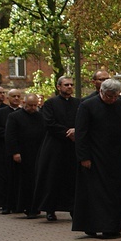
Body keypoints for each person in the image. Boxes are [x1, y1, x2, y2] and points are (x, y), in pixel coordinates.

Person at [72, 79, 121, 238]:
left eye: (115, 96)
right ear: (101, 92)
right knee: (96, 193)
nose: (112, 99)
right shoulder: (87, 106)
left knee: (117, 191)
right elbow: (81, 133)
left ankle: (112, 226)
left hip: (117, 155)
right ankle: (93, 225)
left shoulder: (120, 105)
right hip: (95, 156)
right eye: (109, 96)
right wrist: (84, 156)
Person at [34, 76, 80, 221]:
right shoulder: (50, 103)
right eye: (66, 85)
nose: (69, 87)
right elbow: (49, 123)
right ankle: (50, 208)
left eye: (71, 85)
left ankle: (73, 207)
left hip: (72, 147)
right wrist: (68, 133)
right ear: (58, 87)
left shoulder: (79, 103)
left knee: (72, 178)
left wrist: (76, 130)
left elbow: (82, 120)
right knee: (52, 177)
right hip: (55, 146)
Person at [5, 94, 46, 218]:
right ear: (24, 103)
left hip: (37, 153)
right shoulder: (14, 117)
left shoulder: (40, 117)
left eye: (35, 105)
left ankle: (36, 207)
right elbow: (10, 136)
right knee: (23, 182)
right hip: (22, 153)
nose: (33, 108)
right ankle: (24, 206)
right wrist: (15, 152)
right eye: (30, 105)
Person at [0, 89, 22, 214]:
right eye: (13, 96)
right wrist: (10, 135)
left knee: (19, 178)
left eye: (18, 96)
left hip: (20, 149)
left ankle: (19, 204)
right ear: (8, 98)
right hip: (3, 149)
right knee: (5, 178)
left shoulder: (22, 113)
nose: (16, 98)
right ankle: (6, 204)